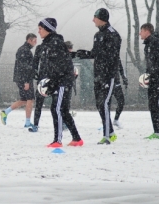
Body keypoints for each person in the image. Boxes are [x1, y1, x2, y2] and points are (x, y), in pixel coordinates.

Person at [76, 8, 121, 145]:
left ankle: (106, 136)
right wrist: (84, 54)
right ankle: (112, 133)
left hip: (109, 75)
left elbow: (111, 56)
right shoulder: (97, 35)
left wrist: (105, 67)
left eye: (94, 17)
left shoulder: (113, 35)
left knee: (105, 103)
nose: (92, 20)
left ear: (101, 18)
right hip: (99, 75)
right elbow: (96, 53)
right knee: (99, 104)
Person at [36, 18, 83, 147]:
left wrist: (53, 82)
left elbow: (61, 65)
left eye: (40, 29)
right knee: (63, 111)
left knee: (57, 109)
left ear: (48, 29)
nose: (38, 32)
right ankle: (77, 139)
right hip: (58, 81)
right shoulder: (48, 43)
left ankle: (58, 140)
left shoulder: (55, 43)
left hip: (62, 81)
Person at [1, 33, 37, 128]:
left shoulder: (23, 50)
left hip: (21, 78)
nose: (35, 43)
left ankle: (5, 112)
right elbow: (24, 67)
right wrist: (26, 81)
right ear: (29, 40)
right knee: (30, 100)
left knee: (24, 100)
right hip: (24, 79)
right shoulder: (25, 51)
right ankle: (28, 122)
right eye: (34, 41)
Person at [28, 39, 45, 133]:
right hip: (42, 78)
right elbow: (35, 61)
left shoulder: (55, 46)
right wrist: (34, 71)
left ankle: (63, 123)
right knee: (39, 103)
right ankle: (35, 124)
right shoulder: (40, 48)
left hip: (53, 78)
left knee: (57, 104)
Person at [113, 59, 128, 128]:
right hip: (107, 84)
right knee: (106, 103)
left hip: (116, 84)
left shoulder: (116, 57)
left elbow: (121, 69)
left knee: (121, 102)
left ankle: (116, 120)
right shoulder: (105, 55)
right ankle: (105, 120)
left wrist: (124, 78)